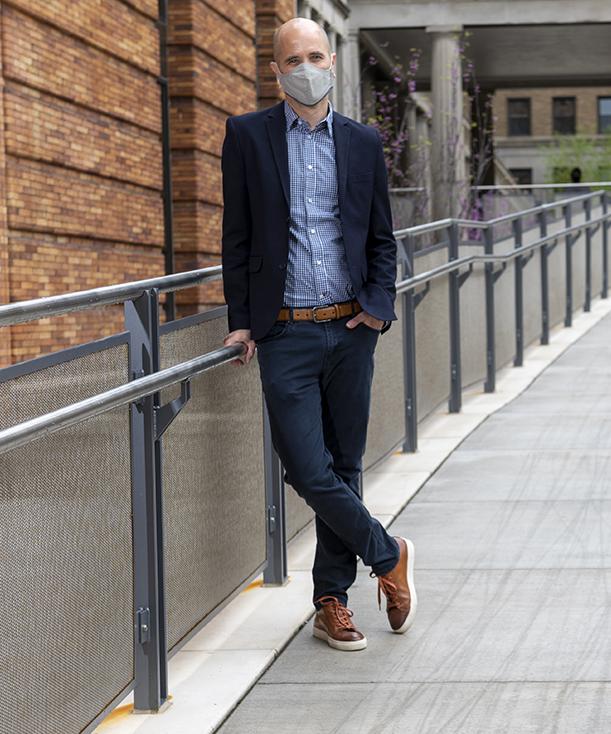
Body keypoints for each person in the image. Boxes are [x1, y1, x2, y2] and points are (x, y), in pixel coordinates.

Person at [219, 17, 416, 652]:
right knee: (308, 467)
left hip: (352, 328)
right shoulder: (246, 136)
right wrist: (240, 320)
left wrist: (378, 308)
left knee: (346, 464)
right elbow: (237, 235)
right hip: (285, 333)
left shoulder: (362, 141)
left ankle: (331, 601)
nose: (304, 67)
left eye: (314, 56)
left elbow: (382, 239)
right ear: (275, 70)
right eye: (291, 59)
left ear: (331, 62)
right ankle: (388, 555)